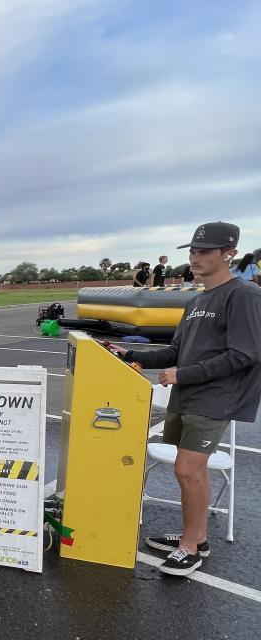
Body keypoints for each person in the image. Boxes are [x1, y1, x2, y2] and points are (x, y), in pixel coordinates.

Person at [114, 221, 261, 576]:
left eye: (205, 251)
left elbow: (245, 354)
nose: (195, 257)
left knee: (186, 469)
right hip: (188, 397)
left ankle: (190, 548)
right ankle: (196, 536)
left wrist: (184, 375)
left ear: (230, 254)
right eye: (193, 251)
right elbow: (177, 351)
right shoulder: (196, 300)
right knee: (191, 472)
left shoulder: (244, 295)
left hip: (216, 398)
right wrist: (129, 355)